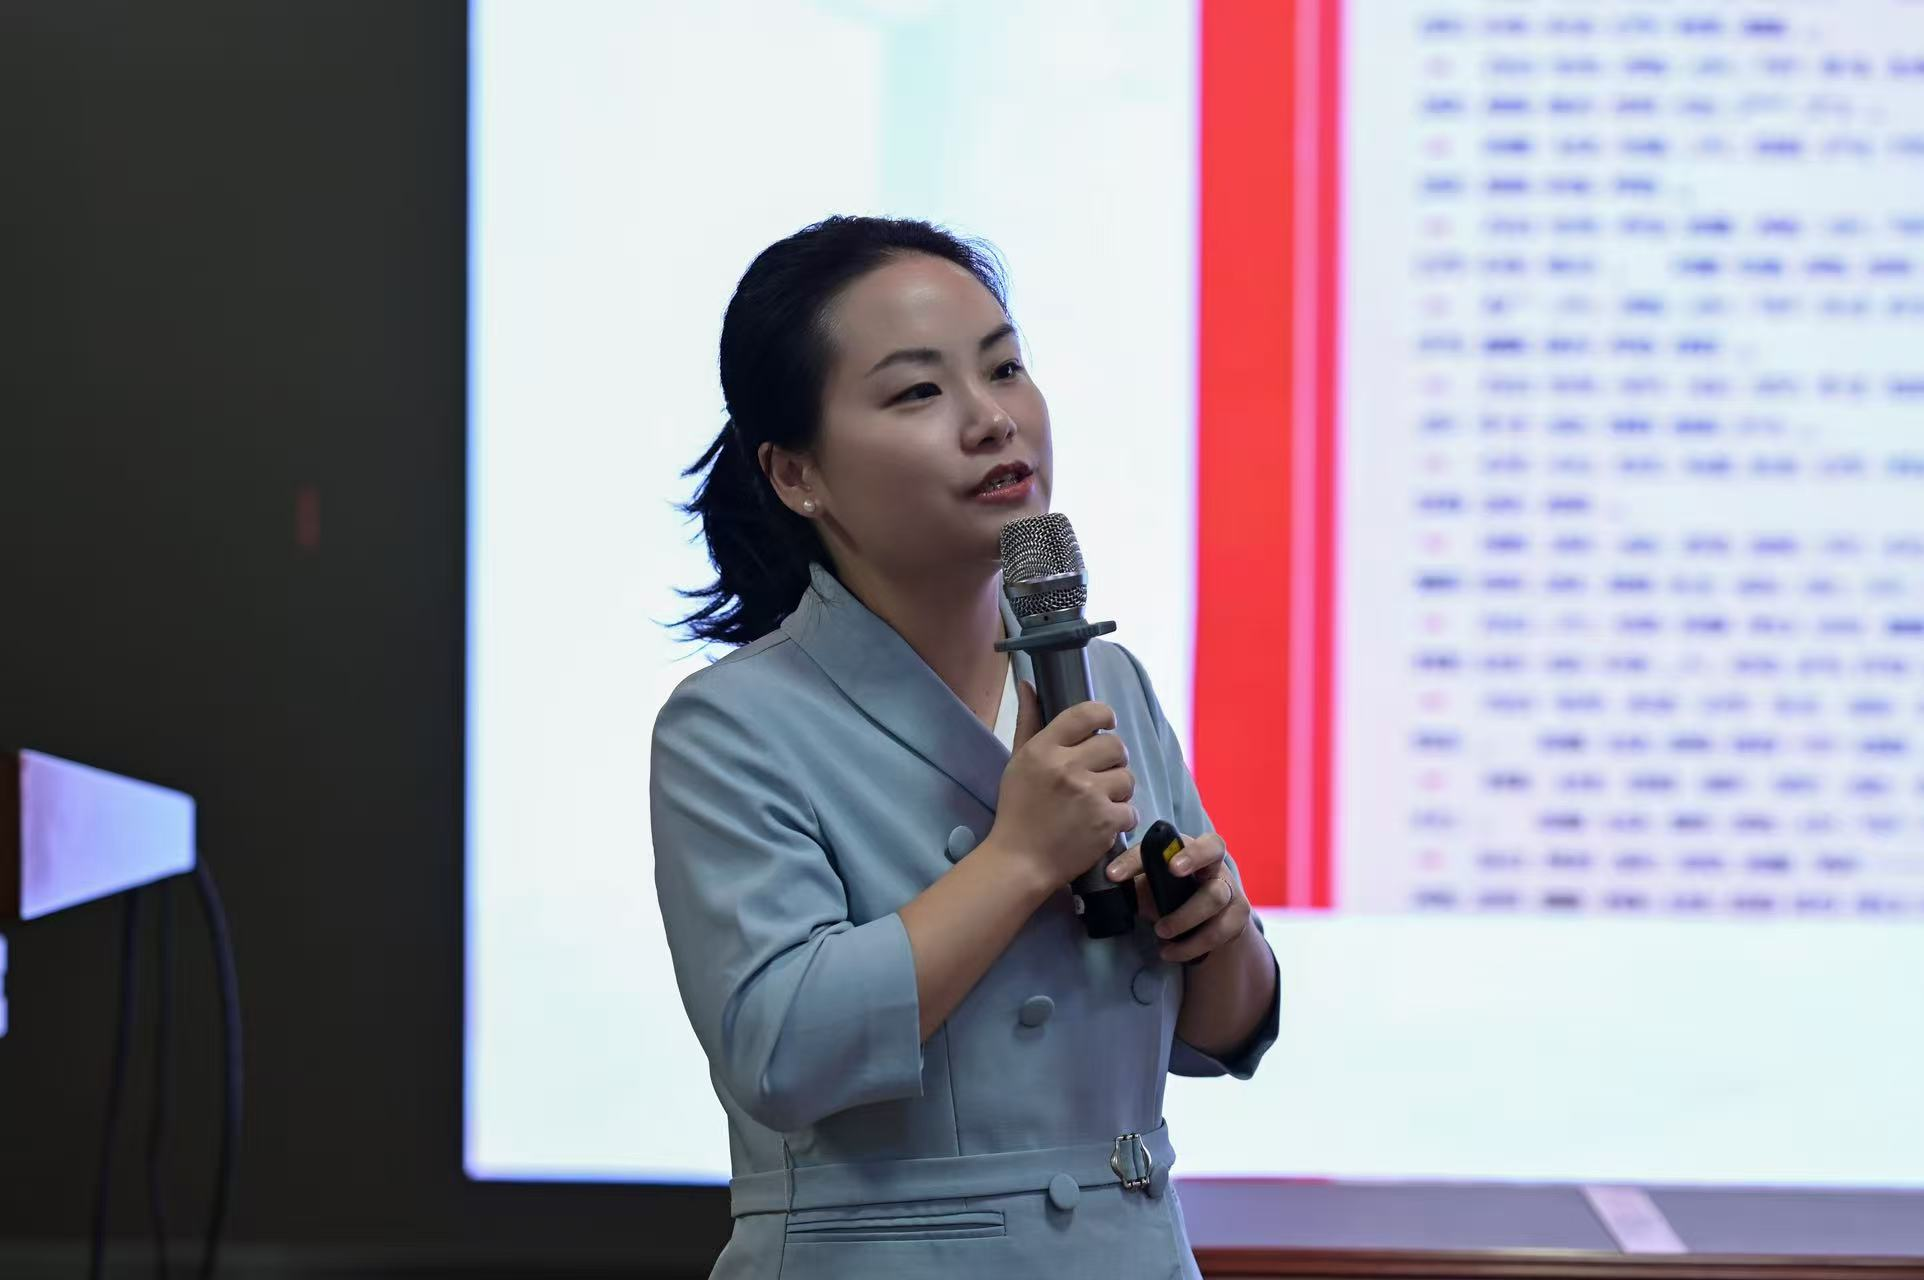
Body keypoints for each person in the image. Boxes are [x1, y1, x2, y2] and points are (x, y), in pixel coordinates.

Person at [653, 215, 1279, 1279]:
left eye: (1004, 368)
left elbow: (1220, 1036)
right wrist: (1020, 856)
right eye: (917, 391)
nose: (992, 419)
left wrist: (1217, 933)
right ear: (797, 474)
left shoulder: (1102, 676)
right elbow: (779, 1048)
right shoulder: (735, 722)